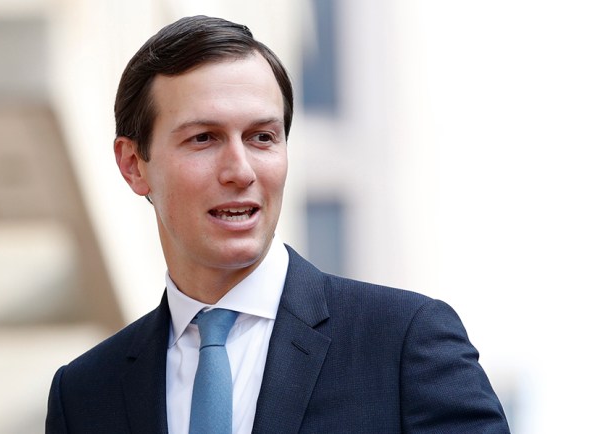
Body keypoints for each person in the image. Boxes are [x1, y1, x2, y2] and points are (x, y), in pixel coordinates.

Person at [46, 15, 510, 434]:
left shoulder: (402, 343)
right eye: (204, 138)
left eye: (261, 138)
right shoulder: (85, 393)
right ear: (133, 165)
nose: (241, 170)